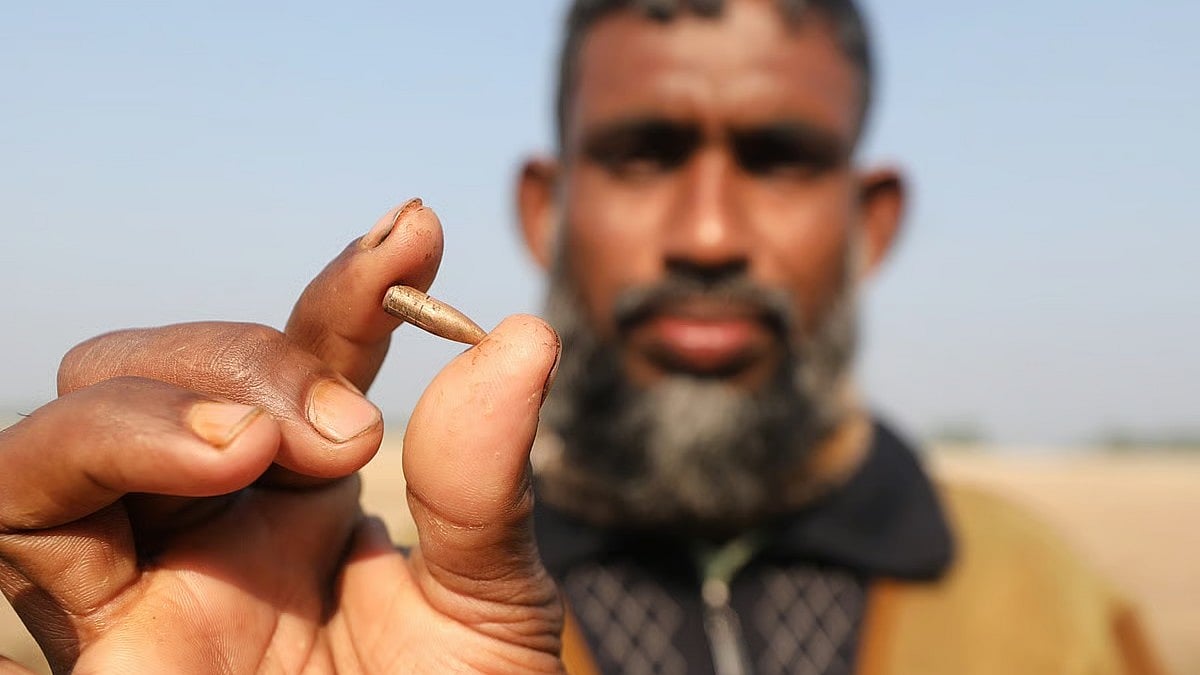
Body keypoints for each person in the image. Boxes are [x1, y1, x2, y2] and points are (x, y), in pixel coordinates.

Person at [0, 1, 1164, 674]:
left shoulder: (1059, 613)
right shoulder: (369, 603)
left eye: (779, 160)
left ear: (871, 221)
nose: (708, 233)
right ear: (545, 210)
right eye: (644, 154)